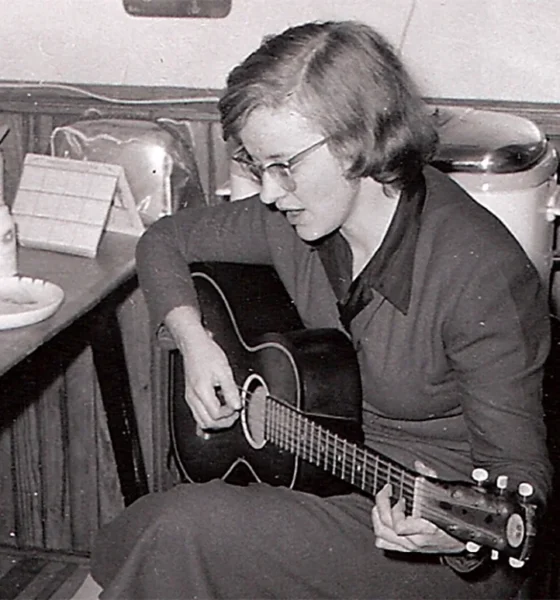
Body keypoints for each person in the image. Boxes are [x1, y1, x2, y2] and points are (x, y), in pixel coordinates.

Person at [86, 19, 552, 599]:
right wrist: (195, 341)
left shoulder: (479, 270)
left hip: (430, 534)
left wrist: (449, 536)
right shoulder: (294, 221)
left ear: (358, 142)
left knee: (180, 529)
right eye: (257, 166)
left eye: (285, 165)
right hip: (325, 477)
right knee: (138, 532)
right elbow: (164, 240)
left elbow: (520, 490)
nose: (270, 192)